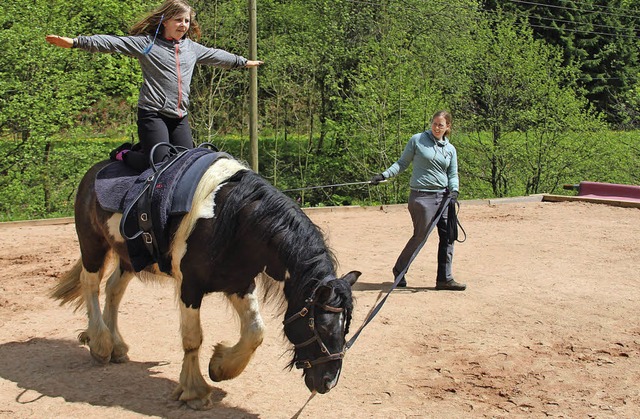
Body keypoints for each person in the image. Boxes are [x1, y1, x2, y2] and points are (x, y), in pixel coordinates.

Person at [46, 0, 263, 171]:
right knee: (159, 164)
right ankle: (124, 154)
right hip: (153, 114)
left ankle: (146, 148)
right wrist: (76, 42)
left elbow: (217, 56)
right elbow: (113, 42)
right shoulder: (147, 45)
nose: (183, 25)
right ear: (165, 21)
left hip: (179, 118)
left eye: (186, 21)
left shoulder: (192, 48)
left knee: (187, 165)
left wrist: (243, 62)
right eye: (178, 20)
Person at [370, 110, 466, 291]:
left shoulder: (450, 149)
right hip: (422, 197)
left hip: (444, 198)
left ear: (448, 127)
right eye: (435, 123)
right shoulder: (418, 140)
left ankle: (444, 279)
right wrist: (383, 175)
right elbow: (401, 163)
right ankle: (399, 270)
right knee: (421, 236)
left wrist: (454, 190)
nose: (437, 128)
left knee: (448, 237)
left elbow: (452, 174)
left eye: (441, 125)